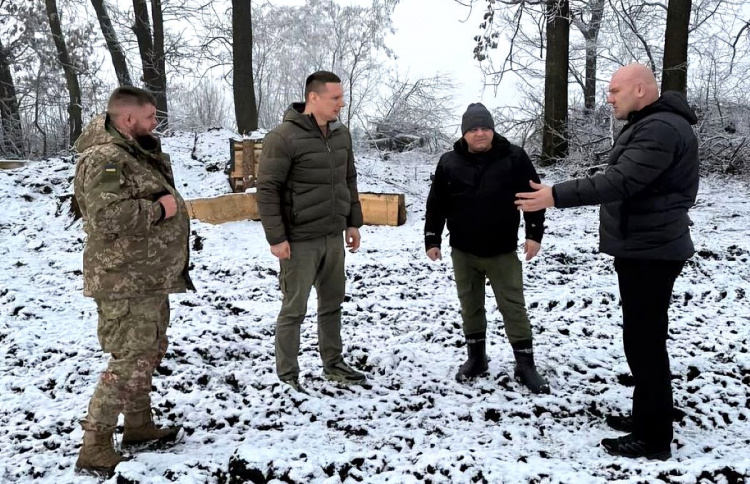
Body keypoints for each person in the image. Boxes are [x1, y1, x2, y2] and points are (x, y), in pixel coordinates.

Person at [515, 64, 699, 460]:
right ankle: (650, 416)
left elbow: (620, 181)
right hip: (645, 246)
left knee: (644, 342)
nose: (609, 98)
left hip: (651, 251)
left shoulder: (660, 129)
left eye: (615, 90)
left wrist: (555, 195)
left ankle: (654, 439)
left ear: (640, 89)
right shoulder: (652, 123)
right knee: (644, 338)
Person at [73, 86, 194, 476]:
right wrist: (160, 209)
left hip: (146, 276)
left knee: (150, 349)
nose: (155, 123)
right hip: (124, 279)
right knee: (129, 358)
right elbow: (105, 217)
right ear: (127, 120)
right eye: (149, 117)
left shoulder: (132, 151)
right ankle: (95, 444)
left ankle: (139, 425)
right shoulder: (106, 159)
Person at [424, 103, 550, 394]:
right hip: (463, 250)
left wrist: (534, 234)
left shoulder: (514, 157)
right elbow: (437, 204)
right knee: (470, 305)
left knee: (513, 307)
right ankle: (476, 359)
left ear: (493, 130)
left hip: (502, 250)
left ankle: (525, 365)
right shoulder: (449, 162)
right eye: (473, 129)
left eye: (485, 128)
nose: (480, 133)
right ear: (464, 133)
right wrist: (432, 238)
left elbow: (533, 196)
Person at [257, 71, 366, 393]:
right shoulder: (283, 137)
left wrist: (352, 222)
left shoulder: (340, 135)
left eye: (342, 98)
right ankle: (287, 375)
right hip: (299, 241)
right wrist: (276, 238)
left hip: (333, 236)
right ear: (313, 98)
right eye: (335, 98)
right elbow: (267, 190)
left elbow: (349, 179)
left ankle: (333, 364)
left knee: (332, 304)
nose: (341, 104)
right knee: (294, 309)